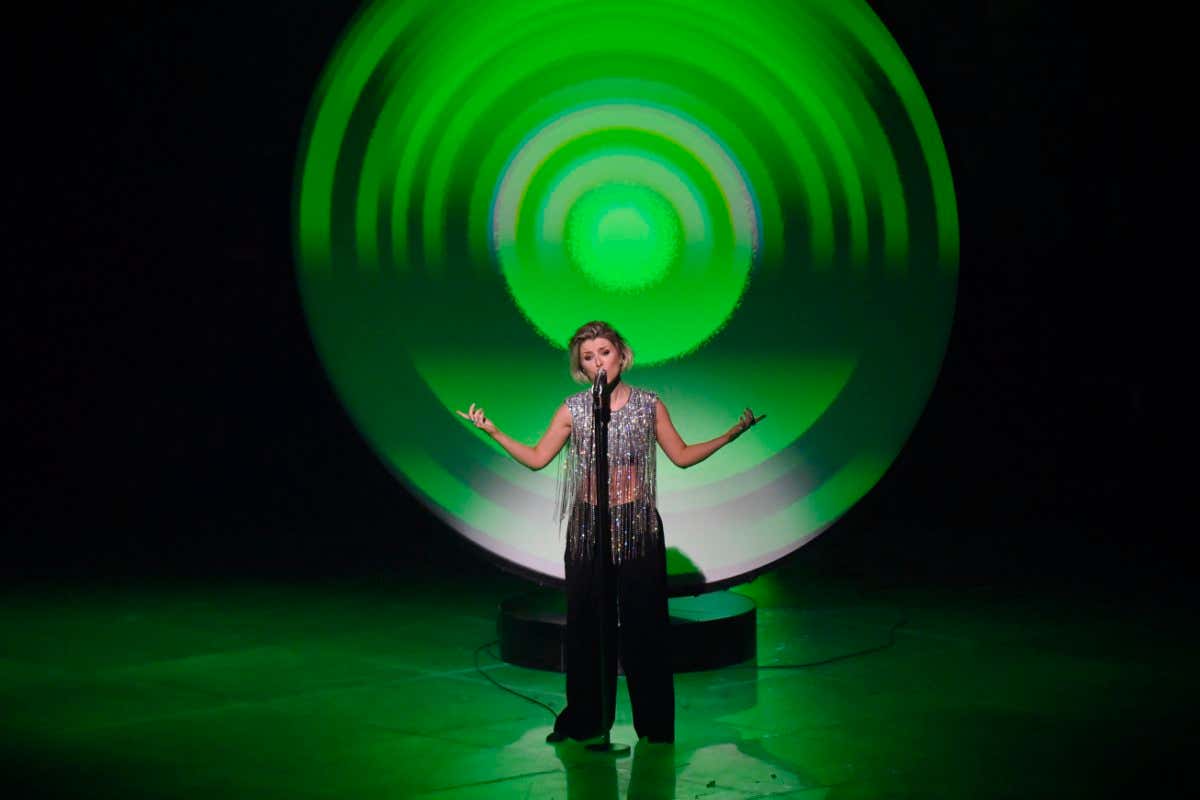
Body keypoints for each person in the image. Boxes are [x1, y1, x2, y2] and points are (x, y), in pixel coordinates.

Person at [457, 320, 763, 745]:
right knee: (586, 628)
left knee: (646, 629)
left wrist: (730, 435)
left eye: (604, 351)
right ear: (580, 367)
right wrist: (492, 431)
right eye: (588, 357)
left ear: (621, 354)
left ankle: (655, 729)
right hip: (588, 529)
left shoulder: (649, 405)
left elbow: (682, 455)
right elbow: (537, 457)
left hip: (636, 525)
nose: (598, 361)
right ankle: (585, 722)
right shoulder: (573, 409)